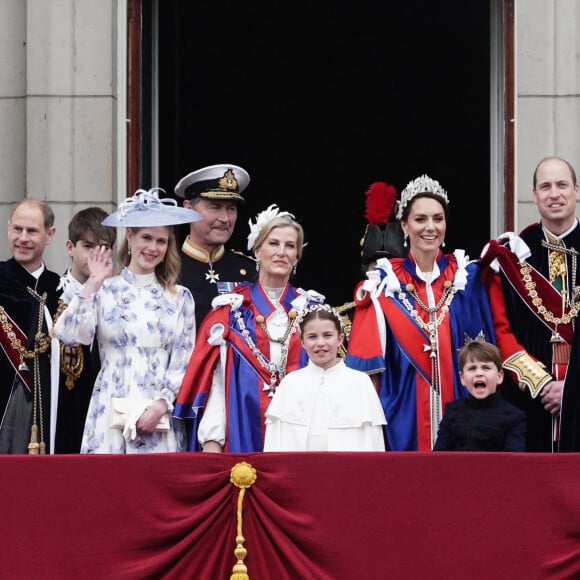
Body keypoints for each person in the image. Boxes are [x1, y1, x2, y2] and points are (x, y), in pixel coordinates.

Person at [346, 174, 496, 451]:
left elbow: (487, 354)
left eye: (438, 219)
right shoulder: (383, 283)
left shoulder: (468, 276)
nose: (430, 227)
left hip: (464, 417)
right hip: (401, 420)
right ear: (404, 225)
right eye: (420, 219)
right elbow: (365, 375)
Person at [53, 188, 202, 453]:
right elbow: (68, 334)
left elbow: (184, 359)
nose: (153, 248)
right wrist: (93, 283)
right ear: (130, 237)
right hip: (110, 409)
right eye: (146, 237)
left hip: (160, 414)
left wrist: (160, 405)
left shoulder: (180, 298)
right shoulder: (105, 290)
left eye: (161, 241)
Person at [175, 204, 326, 453]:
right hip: (242, 432)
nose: (281, 252)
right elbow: (216, 386)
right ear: (257, 250)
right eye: (273, 243)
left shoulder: (312, 310)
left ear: (297, 256)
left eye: (290, 246)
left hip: (302, 437)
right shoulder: (230, 310)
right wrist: (212, 442)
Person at [479, 156, 580, 452]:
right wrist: (543, 385)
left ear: (577, 190)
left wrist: (572, 389)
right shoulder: (512, 255)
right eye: (545, 186)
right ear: (534, 195)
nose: (554, 193)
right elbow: (501, 332)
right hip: (529, 402)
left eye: (562, 185)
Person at [263, 303, 387, 451]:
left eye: (327, 335)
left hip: (347, 471)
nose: (320, 343)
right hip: (299, 471)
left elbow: (373, 441)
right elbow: (274, 442)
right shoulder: (290, 383)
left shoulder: (360, 382)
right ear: (302, 342)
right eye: (312, 337)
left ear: (340, 339)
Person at [54, 207, 117, 453]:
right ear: (70, 247)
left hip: (102, 406)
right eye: (89, 247)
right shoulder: (51, 292)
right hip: (60, 405)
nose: (96, 255)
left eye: (104, 247)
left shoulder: (116, 296)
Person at [0, 199, 60, 454]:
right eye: (17, 229)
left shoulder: (61, 289)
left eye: (32, 231)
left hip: (49, 411)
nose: (22, 238)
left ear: (49, 235)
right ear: (8, 229)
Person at [174, 164, 256, 329]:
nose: (225, 218)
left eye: (231, 209)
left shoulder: (251, 271)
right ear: (188, 208)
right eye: (215, 207)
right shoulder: (167, 267)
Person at [434, 337, 526, 451]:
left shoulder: (514, 416)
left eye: (486, 368)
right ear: (462, 378)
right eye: (472, 368)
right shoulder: (452, 411)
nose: (479, 373)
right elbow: (439, 457)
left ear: (499, 376)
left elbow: (513, 461)